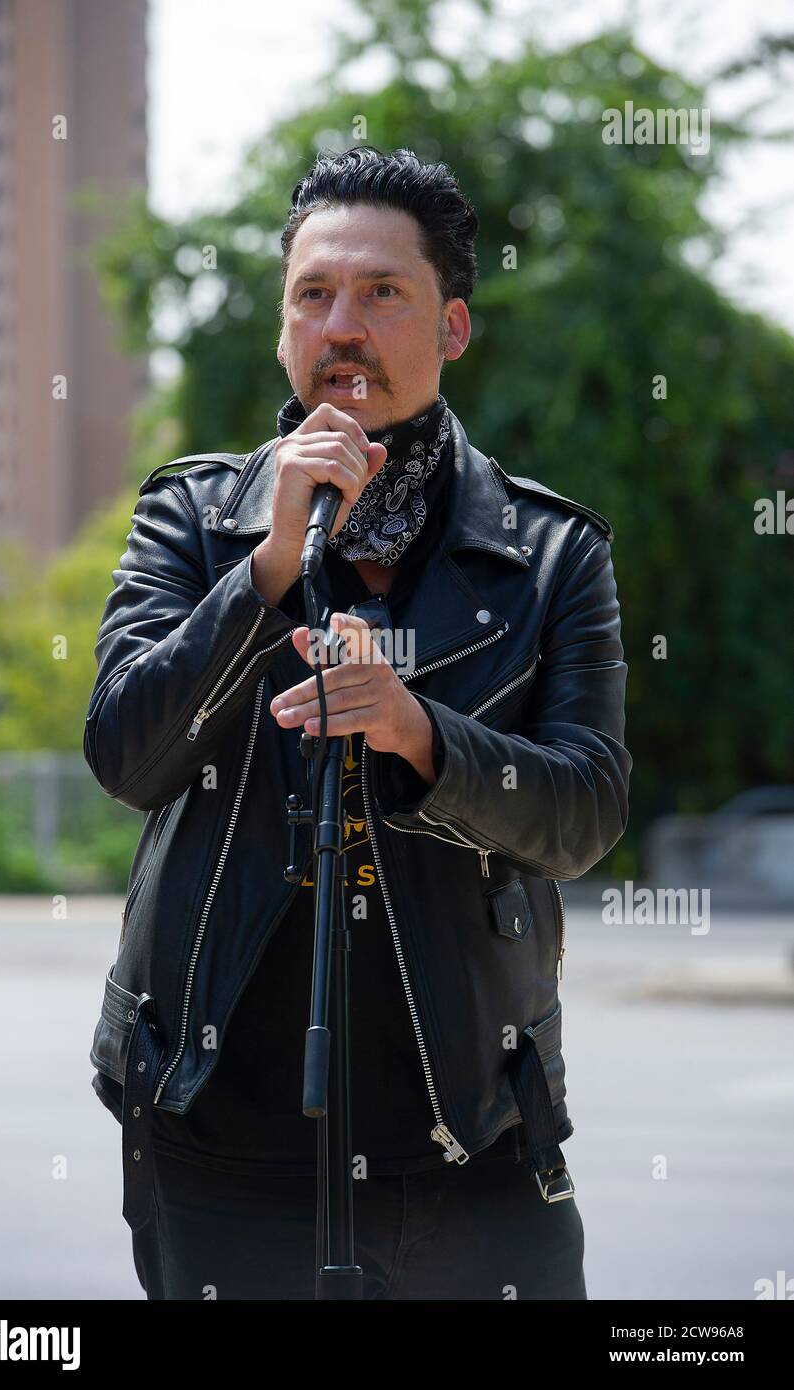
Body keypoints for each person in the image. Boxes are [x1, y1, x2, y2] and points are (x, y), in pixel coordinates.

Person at [84, 145, 632, 1300]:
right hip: (216, 1135)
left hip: (472, 1143)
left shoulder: (551, 554)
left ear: (452, 328)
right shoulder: (193, 519)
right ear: (282, 328)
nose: (343, 324)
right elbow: (126, 757)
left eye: (383, 292)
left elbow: (583, 812)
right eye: (313, 294)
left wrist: (422, 733)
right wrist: (267, 568)